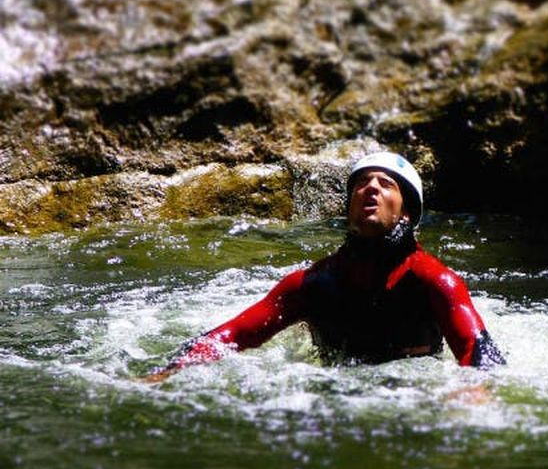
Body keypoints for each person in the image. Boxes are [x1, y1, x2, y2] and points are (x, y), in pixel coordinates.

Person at [144, 152, 505, 382]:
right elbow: (232, 336)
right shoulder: (312, 285)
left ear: (407, 212)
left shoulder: (434, 281)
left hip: (411, 396)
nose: (370, 189)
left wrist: (471, 398)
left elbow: (480, 354)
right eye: (362, 184)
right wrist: (166, 373)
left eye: (385, 184)